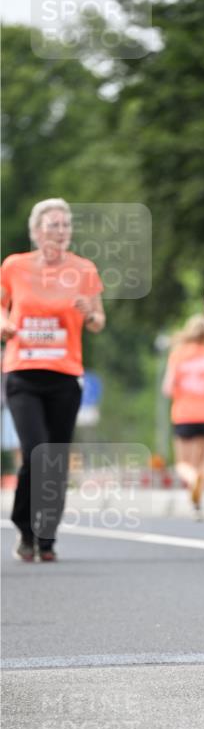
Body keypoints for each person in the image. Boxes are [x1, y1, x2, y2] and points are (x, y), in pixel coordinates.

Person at [0, 198, 105, 561]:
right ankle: (23, 525)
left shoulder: (84, 269)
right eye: (52, 225)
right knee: (35, 451)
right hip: (23, 374)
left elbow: (97, 322)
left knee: (55, 458)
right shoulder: (15, 266)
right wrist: (4, 322)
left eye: (65, 225)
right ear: (36, 231)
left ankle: (46, 537)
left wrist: (89, 311)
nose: (60, 231)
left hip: (64, 376)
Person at [162, 314, 204, 518]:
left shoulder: (178, 355)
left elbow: (167, 388)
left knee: (183, 464)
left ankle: (192, 481)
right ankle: (197, 505)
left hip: (185, 415)